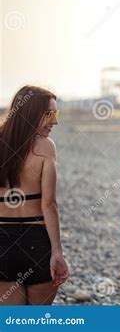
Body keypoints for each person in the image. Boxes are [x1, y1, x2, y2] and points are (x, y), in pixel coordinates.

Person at [0, 85, 68, 305]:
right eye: (49, 114)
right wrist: (57, 252)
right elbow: (49, 204)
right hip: (36, 241)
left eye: (56, 114)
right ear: (29, 112)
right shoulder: (46, 147)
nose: (54, 121)